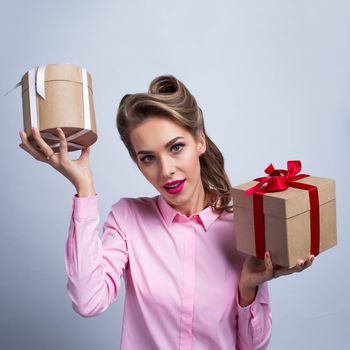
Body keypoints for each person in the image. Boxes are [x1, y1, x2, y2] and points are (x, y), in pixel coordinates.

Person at [18, 75, 314, 350]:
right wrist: (84, 187)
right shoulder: (127, 219)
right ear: (137, 162)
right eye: (148, 158)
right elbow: (87, 301)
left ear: (199, 142)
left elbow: (254, 345)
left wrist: (249, 288)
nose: (166, 171)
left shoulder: (241, 226)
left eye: (175, 148)